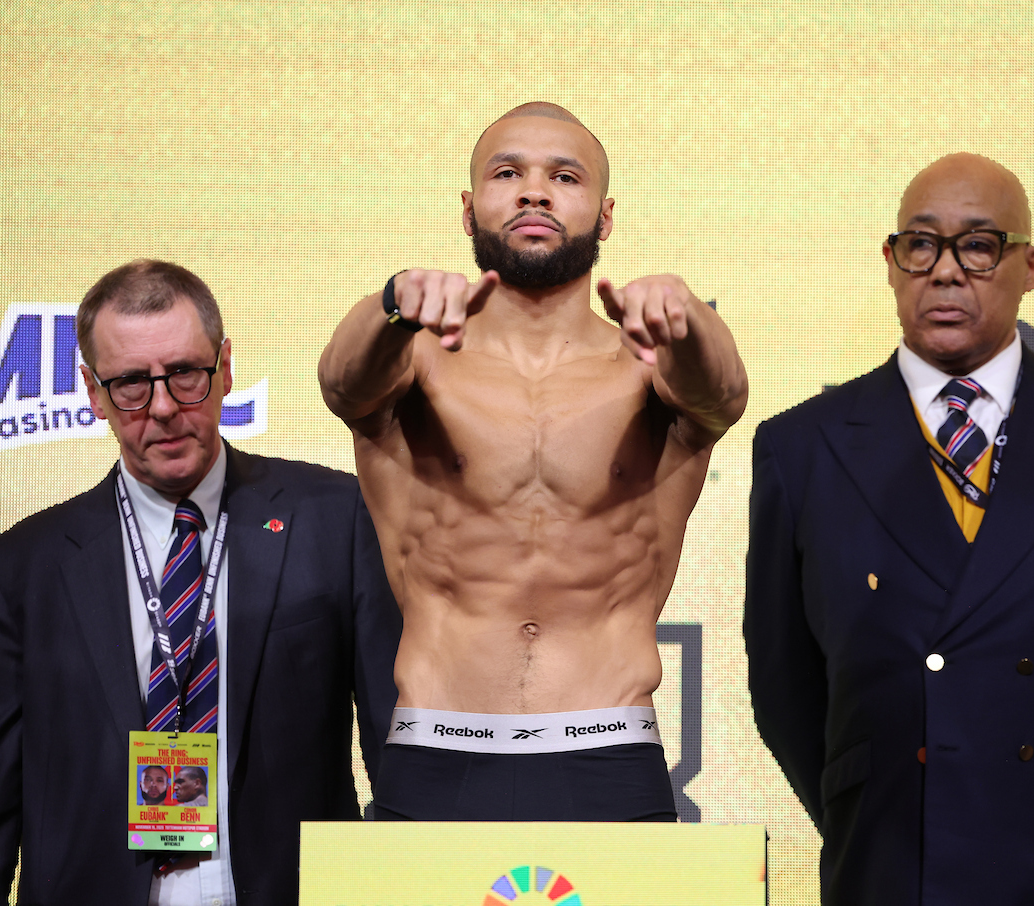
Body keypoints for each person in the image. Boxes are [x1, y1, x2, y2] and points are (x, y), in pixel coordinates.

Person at [744, 153, 1034, 904]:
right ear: (890, 261)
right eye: (921, 244)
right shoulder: (803, 447)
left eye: (978, 246)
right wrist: (875, 800)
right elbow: (786, 685)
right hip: (893, 859)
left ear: (1030, 265)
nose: (945, 272)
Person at [318, 102, 747, 821]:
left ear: (605, 216)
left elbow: (724, 395)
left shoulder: (651, 368)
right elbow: (341, 384)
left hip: (607, 750)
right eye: (507, 172)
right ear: (468, 208)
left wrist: (688, 314)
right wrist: (392, 301)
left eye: (565, 176)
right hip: (436, 751)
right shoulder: (413, 360)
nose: (534, 192)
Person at [0, 260, 402, 906]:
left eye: (185, 374)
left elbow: (396, 748)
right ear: (93, 394)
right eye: (132, 386)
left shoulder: (336, 517)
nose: (166, 407)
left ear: (225, 368)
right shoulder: (13, 573)